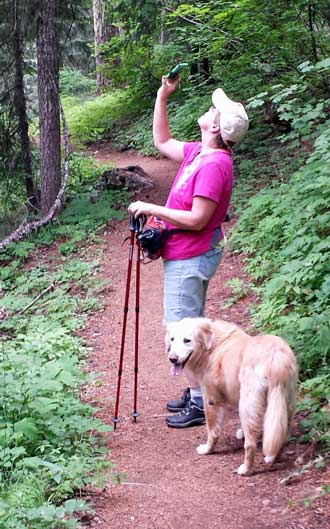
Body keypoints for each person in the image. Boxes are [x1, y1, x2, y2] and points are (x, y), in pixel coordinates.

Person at [128, 74, 248, 428]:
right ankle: (197, 391)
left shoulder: (214, 165)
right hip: (188, 253)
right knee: (189, 321)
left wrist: (154, 210)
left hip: (190, 255)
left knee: (182, 330)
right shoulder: (200, 152)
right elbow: (162, 140)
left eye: (215, 110)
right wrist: (162, 96)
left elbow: (197, 219)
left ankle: (201, 402)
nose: (211, 109)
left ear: (216, 127)